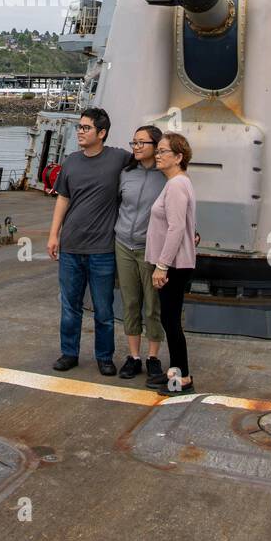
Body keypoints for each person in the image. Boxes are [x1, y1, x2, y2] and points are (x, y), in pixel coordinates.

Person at [47, 107, 129, 376]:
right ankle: (69, 353)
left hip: (102, 250)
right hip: (71, 246)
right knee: (70, 307)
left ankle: (104, 357)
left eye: (85, 128)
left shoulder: (118, 159)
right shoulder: (71, 161)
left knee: (104, 310)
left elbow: (148, 160)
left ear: (102, 133)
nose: (80, 132)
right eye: (79, 127)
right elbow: (63, 197)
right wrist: (53, 234)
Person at [145, 132, 197, 396]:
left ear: (178, 157)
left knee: (171, 321)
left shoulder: (177, 185)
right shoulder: (177, 182)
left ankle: (182, 378)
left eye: (164, 151)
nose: (158, 155)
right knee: (169, 319)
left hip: (174, 265)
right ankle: (175, 373)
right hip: (175, 263)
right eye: (159, 151)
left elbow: (176, 228)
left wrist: (162, 265)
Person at [114, 125, 166, 383]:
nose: (135, 147)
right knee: (130, 302)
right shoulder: (126, 174)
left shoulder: (166, 177)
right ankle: (134, 357)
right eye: (133, 142)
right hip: (123, 243)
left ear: (156, 146)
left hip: (150, 248)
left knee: (152, 305)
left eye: (141, 143)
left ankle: (153, 357)